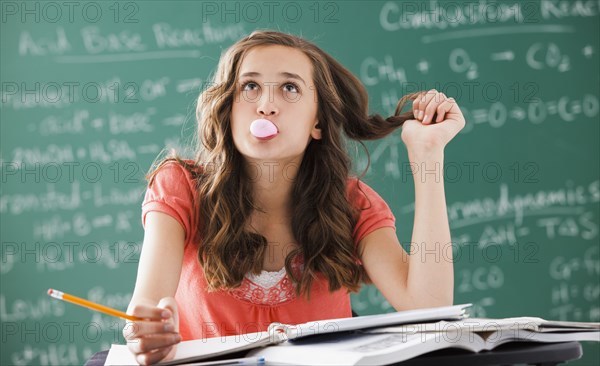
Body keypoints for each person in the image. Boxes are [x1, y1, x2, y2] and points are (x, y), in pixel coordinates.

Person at [123, 29, 465, 365]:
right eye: (250, 87)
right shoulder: (180, 187)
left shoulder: (352, 204)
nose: (267, 106)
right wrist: (148, 334)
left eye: (289, 88)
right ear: (228, 110)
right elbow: (145, 317)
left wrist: (428, 155)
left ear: (317, 122)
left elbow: (430, 309)